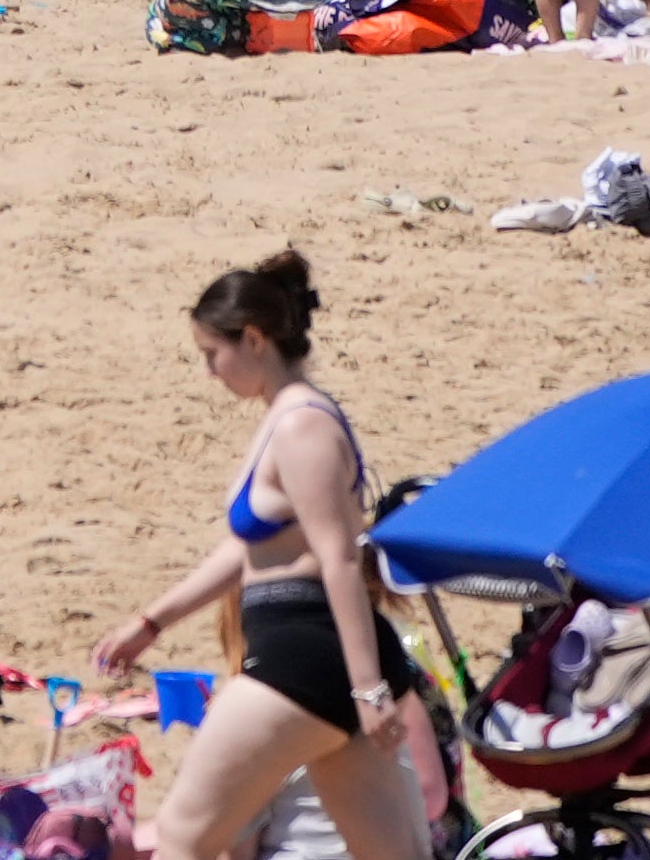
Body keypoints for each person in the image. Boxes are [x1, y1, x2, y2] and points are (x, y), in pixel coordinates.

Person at [95, 252, 416, 860]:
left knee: (186, 841)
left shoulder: (302, 427)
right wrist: (153, 621)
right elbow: (247, 550)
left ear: (255, 338)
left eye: (212, 355)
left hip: (305, 659)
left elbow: (341, 560)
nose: (210, 373)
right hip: (320, 665)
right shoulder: (284, 419)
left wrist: (369, 690)